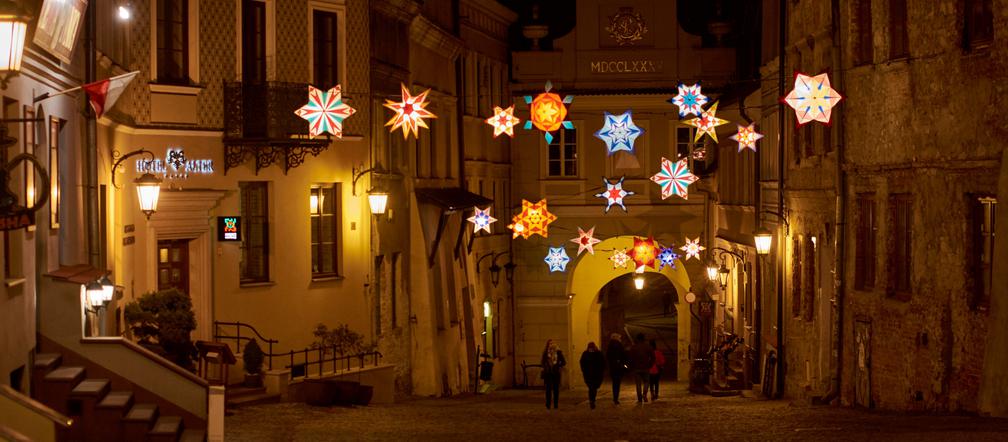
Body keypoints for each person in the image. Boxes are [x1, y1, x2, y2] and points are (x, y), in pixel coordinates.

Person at [628, 333, 655, 404]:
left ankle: (639, 399)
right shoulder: (648, 347)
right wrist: (650, 364)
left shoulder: (634, 347)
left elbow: (630, 358)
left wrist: (631, 366)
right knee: (646, 382)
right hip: (646, 367)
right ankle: (644, 394)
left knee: (638, 384)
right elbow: (653, 357)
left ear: (637, 339)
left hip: (636, 368)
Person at [579, 342, 606, 409]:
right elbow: (582, 362)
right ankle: (592, 400)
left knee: (594, 388)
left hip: (596, 374)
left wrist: (601, 370)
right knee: (592, 388)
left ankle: (592, 400)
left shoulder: (598, 353)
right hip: (589, 374)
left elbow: (603, 363)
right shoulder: (586, 354)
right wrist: (584, 370)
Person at [541, 339, 566, 409]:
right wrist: (545, 366)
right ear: (548, 345)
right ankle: (548, 404)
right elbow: (542, 362)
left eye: (552, 343)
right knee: (548, 389)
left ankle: (555, 404)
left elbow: (564, 362)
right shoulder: (545, 353)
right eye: (550, 344)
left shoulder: (558, 352)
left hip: (556, 373)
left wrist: (558, 365)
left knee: (556, 389)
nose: (551, 345)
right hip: (548, 373)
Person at [605, 333, 627, 405]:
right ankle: (616, 398)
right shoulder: (620, 345)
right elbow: (623, 355)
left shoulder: (610, 346)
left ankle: (615, 397)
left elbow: (608, 356)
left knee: (614, 382)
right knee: (618, 382)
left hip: (612, 367)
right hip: (619, 366)